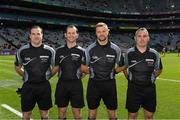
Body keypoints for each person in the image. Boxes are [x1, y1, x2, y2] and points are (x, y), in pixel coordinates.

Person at [81, 22, 125, 119]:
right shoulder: (89, 49)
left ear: (108, 32)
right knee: (92, 113)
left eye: (104, 31)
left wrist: (115, 71)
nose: (101, 33)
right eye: (99, 32)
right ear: (96, 33)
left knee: (112, 114)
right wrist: (91, 71)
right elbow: (82, 66)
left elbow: (122, 65)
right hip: (93, 85)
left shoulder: (116, 49)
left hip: (110, 85)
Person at [15, 25, 55, 119]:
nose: (36, 36)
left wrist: (48, 76)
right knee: (26, 114)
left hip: (44, 86)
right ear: (30, 36)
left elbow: (56, 67)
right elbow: (17, 67)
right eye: (33, 34)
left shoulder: (50, 51)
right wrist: (25, 76)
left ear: (42, 35)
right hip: (28, 86)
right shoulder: (22, 50)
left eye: (38, 33)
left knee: (44, 114)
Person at [124, 27, 163, 119]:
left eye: (144, 36)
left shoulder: (155, 54)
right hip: (133, 89)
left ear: (148, 38)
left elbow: (159, 69)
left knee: (149, 116)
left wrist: (152, 77)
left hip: (149, 90)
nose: (142, 39)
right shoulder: (129, 53)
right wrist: (129, 78)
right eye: (139, 36)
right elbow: (124, 67)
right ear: (135, 38)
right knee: (132, 116)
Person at [52, 25, 85, 119]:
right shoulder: (59, 51)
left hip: (76, 85)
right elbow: (56, 67)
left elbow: (86, 69)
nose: (71, 35)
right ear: (65, 35)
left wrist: (78, 77)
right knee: (62, 111)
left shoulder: (82, 51)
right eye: (69, 33)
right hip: (62, 84)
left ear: (77, 35)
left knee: (76, 112)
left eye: (73, 33)